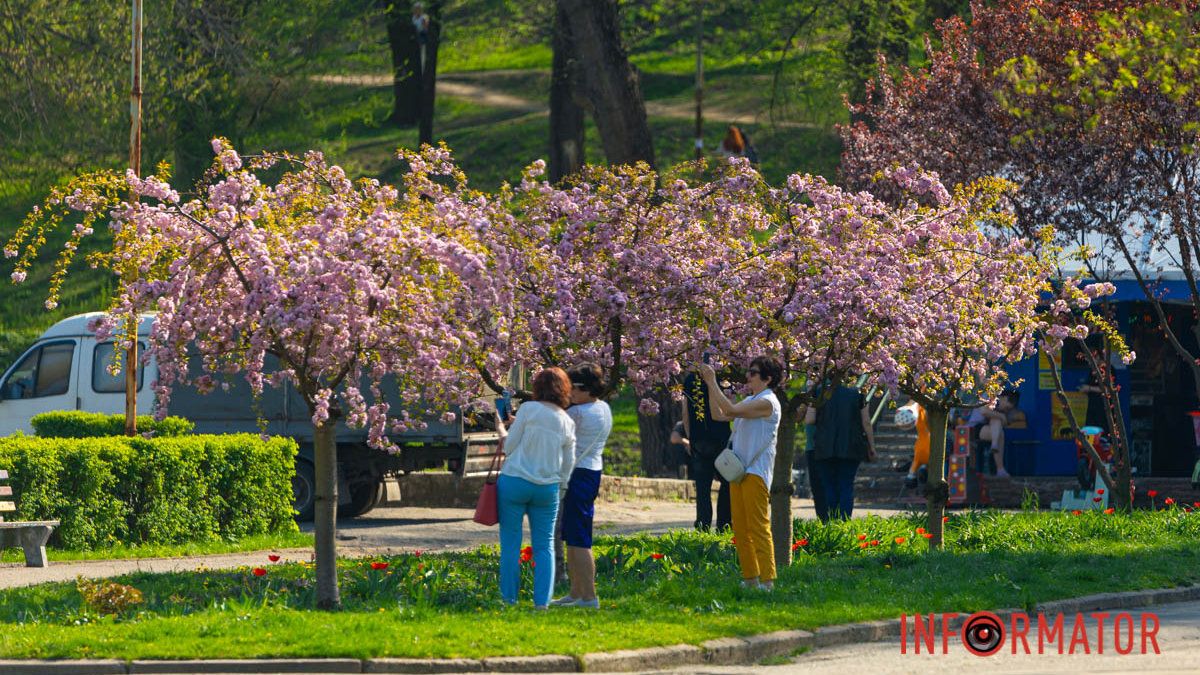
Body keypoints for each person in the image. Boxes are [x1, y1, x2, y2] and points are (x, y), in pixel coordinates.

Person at [698, 356, 783, 591]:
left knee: (758, 527)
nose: (748, 376)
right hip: (740, 472)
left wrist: (712, 381)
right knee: (741, 528)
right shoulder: (752, 399)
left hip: (756, 472)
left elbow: (730, 409)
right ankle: (750, 578)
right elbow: (720, 414)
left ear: (768, 378)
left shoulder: (768, 402)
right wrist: (709, 386)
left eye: (753, 372)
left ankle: (768, 581)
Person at [497, 368, 576, 609]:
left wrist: (501, 429)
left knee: (510, 543)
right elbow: (569, 461)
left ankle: (509, 599)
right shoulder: (567, 421)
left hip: (515, 481)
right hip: (547, 488)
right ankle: (541, 602)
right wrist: (561, 486)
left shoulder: (529, 409)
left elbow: (509, 447)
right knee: (545, 546)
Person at [550, 363, 612, 609]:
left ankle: (589, 596)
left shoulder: (578, 414)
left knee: (579, 539)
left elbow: (555, 433)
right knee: (573, 536)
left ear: (585, 389)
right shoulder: (603, 408)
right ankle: (576, 593)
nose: (569, 394)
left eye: (572, 388)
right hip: (592, 471)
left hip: (578, 473)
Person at [811, 380, 877, 521]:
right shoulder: (859, 391)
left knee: (829, 485)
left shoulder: (819, 390)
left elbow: (810, 419)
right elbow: (866, 421)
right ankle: (845, 522)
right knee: (846, 485)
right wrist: (871, 446)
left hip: (824, 445)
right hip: (851, 445)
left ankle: (832, 521)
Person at [682, 372, 732, 531]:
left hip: (699, 439)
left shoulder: (690, 379)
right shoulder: (725, 379)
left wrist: (690, 437)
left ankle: (703, 525)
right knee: (726, 483)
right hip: (721, 439)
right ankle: (724, 525)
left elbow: (685, 411)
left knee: (703, 487)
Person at [965, 389, 1019, 479]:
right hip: (973, 428)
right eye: (1007, 408)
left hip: (985, 429)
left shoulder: (999, 409)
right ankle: (1000, 468)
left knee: (998, 429)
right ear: (1004, 398)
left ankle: (994, 445)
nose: (1006, 410)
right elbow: (984, 411)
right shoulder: (990, 395)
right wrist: (1001, 416)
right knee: (998, 426)